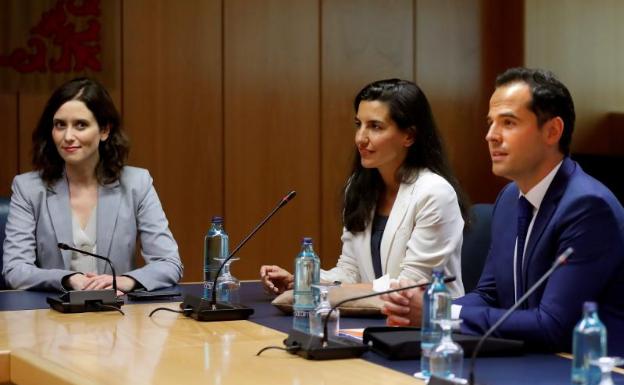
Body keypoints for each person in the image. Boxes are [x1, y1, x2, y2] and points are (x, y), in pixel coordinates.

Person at [381, 68, 624, 355]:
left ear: (552, 131)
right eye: (490, 123)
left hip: (586, 366)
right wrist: (432, 305)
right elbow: (489, 295)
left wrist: (440, 313)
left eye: (508, 123)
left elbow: (552, 325)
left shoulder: (587, 207)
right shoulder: (509, 198)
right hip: (528, 357)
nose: (490, 136)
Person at [261, 79, 468, 297]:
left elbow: (410, 286)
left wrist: (314, 289)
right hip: (370, 318)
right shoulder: (359, 188)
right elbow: (350, 271)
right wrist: (302, 281)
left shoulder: (434, 193)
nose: (361, 138)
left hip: (427, 324)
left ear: (409, 136)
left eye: (375, 127)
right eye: (359, 124)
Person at [2, 77, 183, 293]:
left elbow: (169, 264)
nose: (68, 136)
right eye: (60, 125)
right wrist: (68, 279)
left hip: (119, 317)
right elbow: (14, 270)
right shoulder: (28, 189)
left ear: (105, 130)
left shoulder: (137, 184)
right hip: (52, 316)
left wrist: (127, 280)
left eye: (81, 125)